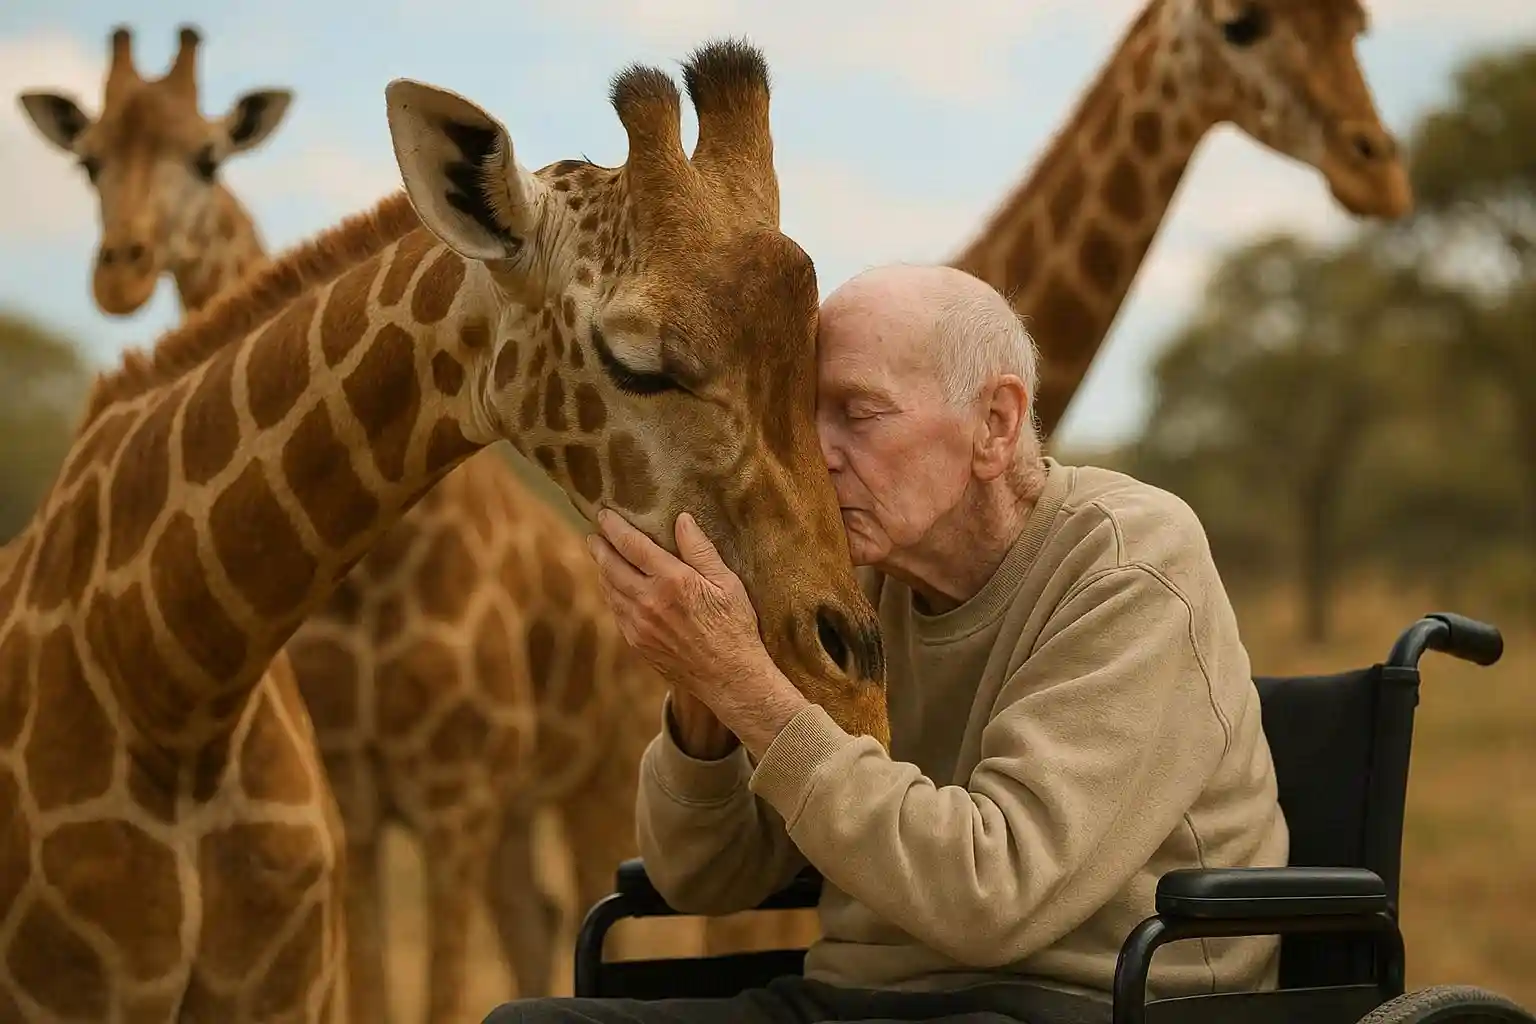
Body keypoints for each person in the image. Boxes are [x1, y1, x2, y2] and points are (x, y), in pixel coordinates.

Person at [484, 264, 1288, 1024]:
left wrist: (743, 683)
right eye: (808, 415)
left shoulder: (1130, 562)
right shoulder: (850, 578)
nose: (815, 453)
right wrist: (701, 689)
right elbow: (701, 874)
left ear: (995, 426)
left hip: (1078, 1000)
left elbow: (992, 895)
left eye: (858, 414)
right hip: (854, 1001)